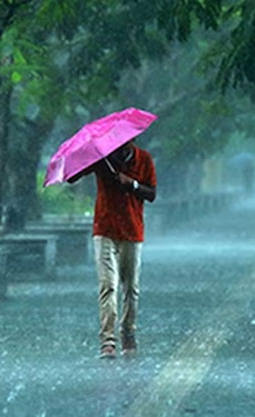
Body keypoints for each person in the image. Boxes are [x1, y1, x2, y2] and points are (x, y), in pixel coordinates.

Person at [69, 140, 157, 359]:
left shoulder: (144, 159)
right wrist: (86, 157)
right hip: (105, 229)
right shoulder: (103, 158)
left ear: (133, 140)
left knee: (131, 288)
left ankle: (128, 333)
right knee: (108, 285)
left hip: (132, 231)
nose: (121, 146)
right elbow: (72, 177)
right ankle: (107, 340)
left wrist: (132, 184)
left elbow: (152, 194)